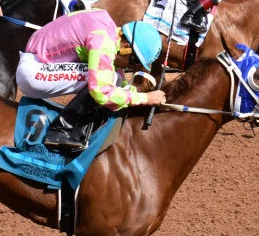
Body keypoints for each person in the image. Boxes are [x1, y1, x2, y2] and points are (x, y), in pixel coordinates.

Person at [16, 9, 166, 152]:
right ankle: (61, 130)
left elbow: (112, 68)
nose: (130, 66)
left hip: (37, 62)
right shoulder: (103, 41)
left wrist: (131, 90)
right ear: (127, 47)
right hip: (33, 72)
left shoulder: (108, 27)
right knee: (108, 80)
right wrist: (144, 98)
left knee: (115, 77)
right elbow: (101, 92)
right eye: (134, 61)